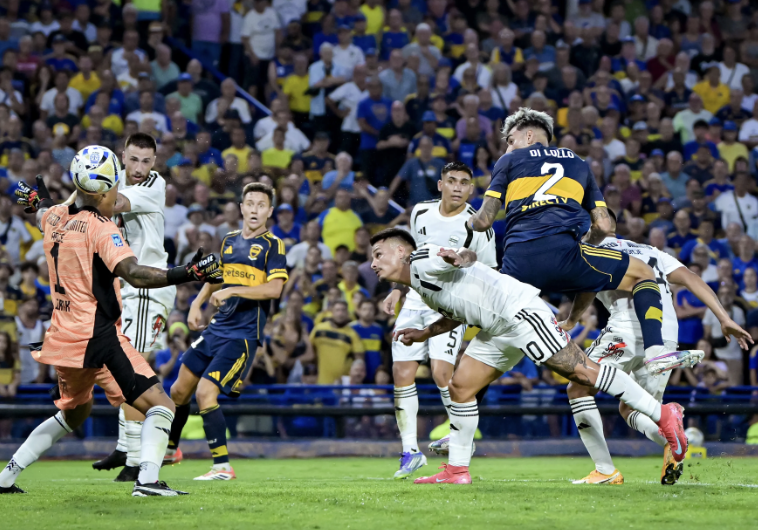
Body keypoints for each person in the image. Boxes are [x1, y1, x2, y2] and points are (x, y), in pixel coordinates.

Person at [371, 230, 687, 484]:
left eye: (378, 254)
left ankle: (663, 415)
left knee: (584, 374)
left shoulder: (423, 258)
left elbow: (465, 255)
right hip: (497, 327)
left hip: (520, 314)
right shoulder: (420, 284)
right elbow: (457, 311)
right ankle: (457, 470)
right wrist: (424, 333)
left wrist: (461, 257)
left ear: (400, 252)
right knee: (461, 387)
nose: (373, 263)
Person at [1, 170, 221, 496]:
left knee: (74, 414)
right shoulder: (100, 226)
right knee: (162, 405)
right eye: (115, 187)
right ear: (103, 194)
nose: (118, 193)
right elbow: (134, 274)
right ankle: (147, 481)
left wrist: (40, 200)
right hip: (98, 335)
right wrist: (187, 272)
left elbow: (43, 211)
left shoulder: (55, 216)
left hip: (62, 338)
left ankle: (5, 477)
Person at [469, 108, 687, 369]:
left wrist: (468, 220)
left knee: (477, 330)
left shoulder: (508, 160)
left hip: (519, 265)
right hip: (566, 257)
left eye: (510, 140)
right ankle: (655, 352)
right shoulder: (579, 162)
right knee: (643, 273)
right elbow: (603, 225)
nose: (508, 147)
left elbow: (483, 221)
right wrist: (585, 247)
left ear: (528, 136)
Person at [569, 212, 750, 486]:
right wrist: (724, 318)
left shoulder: (593, 249)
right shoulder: (651, 251)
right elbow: (691, 278)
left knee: (578, 388)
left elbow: (587, 288)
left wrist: (571, 320)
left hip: (627, 328)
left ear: (592, 227)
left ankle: (605, 470)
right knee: (632, 409)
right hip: (666, 334)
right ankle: (671, 441)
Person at [165, 182, 287, 480]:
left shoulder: (273, 245)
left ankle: (222, 467)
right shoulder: (229, 240)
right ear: (242, 208)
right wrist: (197, 304)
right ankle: (170, 450)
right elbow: (217, 278)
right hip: (217, 329)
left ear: (269, 211)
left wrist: (232, 291)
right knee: (178, 390)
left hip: (242, 334)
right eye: (250, 204)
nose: (255, 209)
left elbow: (274, 289)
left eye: (261, 205)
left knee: (206, 393)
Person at [381, 162, 496, 479]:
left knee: (440, 372)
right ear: (440, 185)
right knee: (401, 372)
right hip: (416, 298)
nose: (458, 187)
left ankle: (460, 435)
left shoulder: (478, 225)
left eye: (464, 182)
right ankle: (410, 452)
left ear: (471, 189)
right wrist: (397, 289)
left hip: (450, 303)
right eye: (452, 181)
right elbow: (412, 259)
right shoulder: (420, 213)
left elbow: (490, 271)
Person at [91, 133, 178, 480]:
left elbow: (111, 205)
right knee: (120, 368)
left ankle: (134, 462)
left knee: (132, 370)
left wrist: (62, 201)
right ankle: (125, 448)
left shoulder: (155, 185)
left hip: (146, 289)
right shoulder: (113, 181)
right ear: (122, 156)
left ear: (154, 162)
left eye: (146, 160)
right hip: (125, 289)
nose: (139, 167)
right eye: (133, 159)